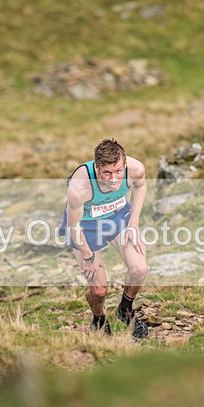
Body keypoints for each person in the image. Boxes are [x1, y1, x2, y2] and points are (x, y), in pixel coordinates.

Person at [59, 138, 149, 339]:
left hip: (118, 218)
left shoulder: (135, 169)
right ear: (97, 168)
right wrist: (89, 256)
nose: (114, 179)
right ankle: (99, 319)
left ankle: (125, 309)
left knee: (139, 269)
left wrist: (133, 224)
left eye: (118, 171)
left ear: (125, 164)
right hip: (85, 227)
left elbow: (140, 187)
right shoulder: (80, 187)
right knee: (99, 290)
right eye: (107, 173)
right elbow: (72, 225)